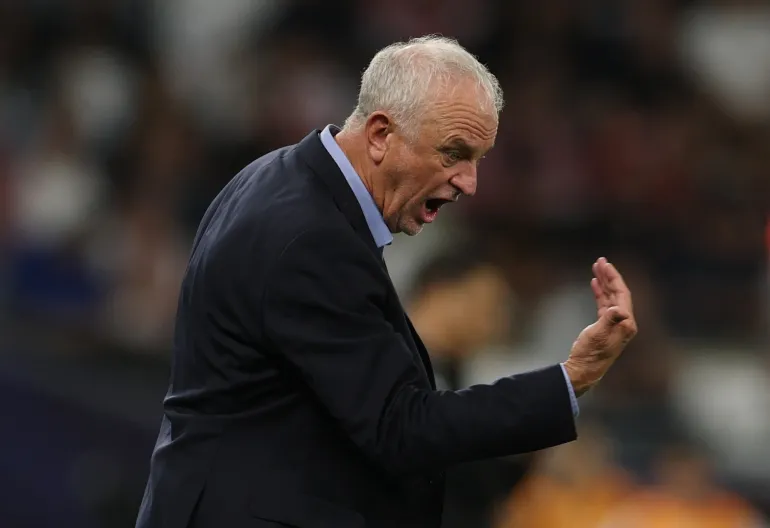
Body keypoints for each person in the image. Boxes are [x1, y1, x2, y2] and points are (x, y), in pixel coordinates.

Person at [135, 35, 638, 528]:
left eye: (477, 160)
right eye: (453, 153)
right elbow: (402, 429)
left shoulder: (277, 179)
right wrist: (573, 377)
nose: (470, 182)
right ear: (380, 134)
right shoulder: (312, 238)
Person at [406, 246, 539, 528]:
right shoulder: (395, 363)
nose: (496, 320)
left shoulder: (453, 372)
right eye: (488, 305)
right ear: (440, 292)